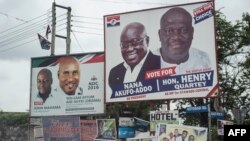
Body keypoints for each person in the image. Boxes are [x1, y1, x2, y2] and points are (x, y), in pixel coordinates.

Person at [154, 7, 211, 73]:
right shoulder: (146, 64)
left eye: (184, 30)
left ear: (192, 33)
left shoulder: (204, 59)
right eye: (169, 31)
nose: (176, 36)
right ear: (160, 35)